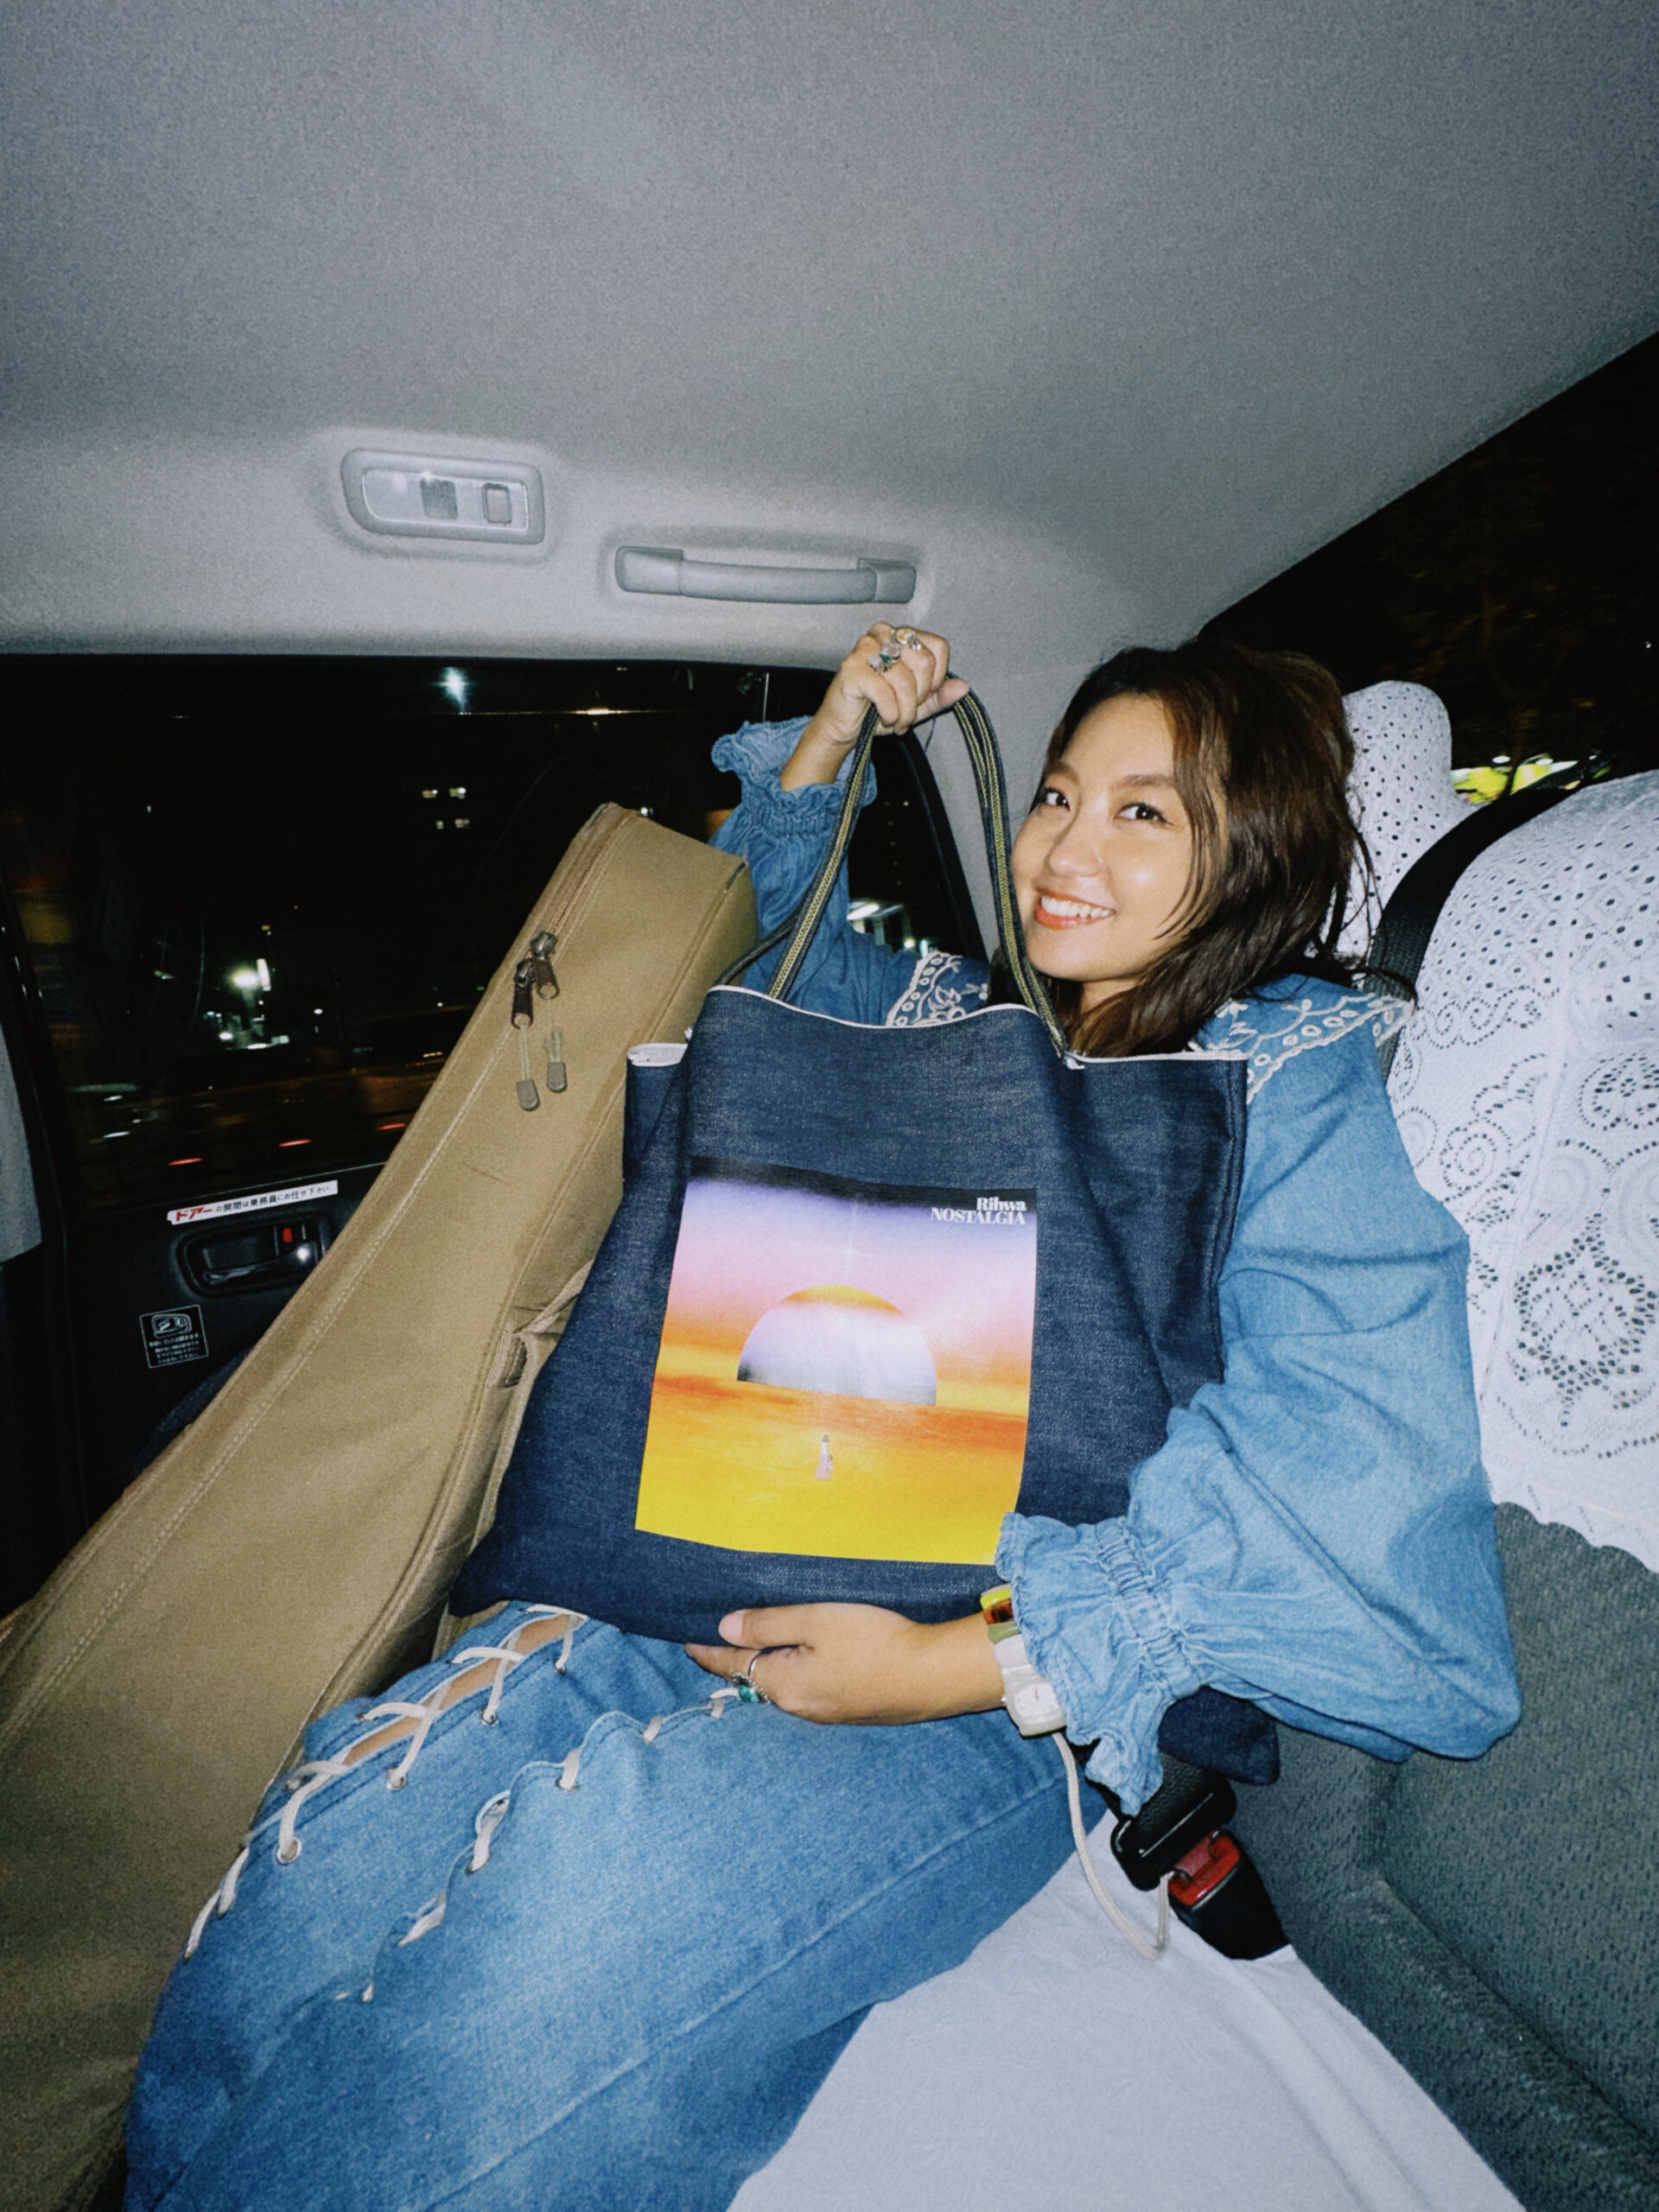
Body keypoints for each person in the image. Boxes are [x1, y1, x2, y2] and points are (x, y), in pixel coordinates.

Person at [124, 625, 1520, 2212]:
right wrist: (834, 745)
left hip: (1000, 1689)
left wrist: (942, 1665)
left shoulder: (1286, 1084)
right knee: (327, 1855)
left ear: (1254, 850)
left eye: (1145, 811)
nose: (1064, 846)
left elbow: (1361, 1505)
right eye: (1057, 794)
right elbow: (756, 948)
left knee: (573, 1926)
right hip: (722, 1561)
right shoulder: (964, 1013)